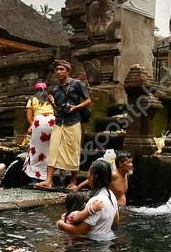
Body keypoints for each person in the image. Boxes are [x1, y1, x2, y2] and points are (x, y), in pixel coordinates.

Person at [36, 60, 90, 190]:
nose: (59, 72)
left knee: (73, 150)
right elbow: (57, 110)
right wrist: (51, 103)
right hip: (59, 121)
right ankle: (48, 180)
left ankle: (72, 182)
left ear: (68, 71)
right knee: (53, 148)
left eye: (62, 69)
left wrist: (76, 107)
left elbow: (88, 100)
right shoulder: (56, 89)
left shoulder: (76, 84)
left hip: (73, 121)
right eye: (57, 70)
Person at [56, 159, 118, 240]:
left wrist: (60, 224)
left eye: (89, 172)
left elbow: (78, 232)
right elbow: (116, 223)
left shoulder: (95, 202)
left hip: (93, 245)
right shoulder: (111, 195)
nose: (87, 176)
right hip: (107, 240)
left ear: (93, 176)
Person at [23, 80, 56, 181]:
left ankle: (36, 175)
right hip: (52, 121)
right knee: (49, 150)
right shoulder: (51, 98)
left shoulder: (32, 99)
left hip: (39, 122)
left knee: (36, 150)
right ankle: (48, 176)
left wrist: (31, 125)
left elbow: (29, 117)